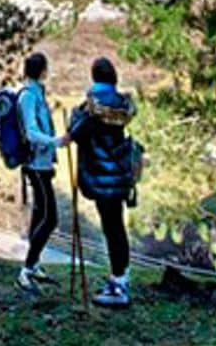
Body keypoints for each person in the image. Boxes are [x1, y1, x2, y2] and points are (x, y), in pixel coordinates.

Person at [66, 56, 137, 309]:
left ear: (94, 76)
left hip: (100, 175)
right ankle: (121, 276)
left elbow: (76, 132)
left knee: (112, 227)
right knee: (116, 226)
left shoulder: (91, 106)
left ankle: (119, 284)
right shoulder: (121, 104)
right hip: (118, 174)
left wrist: (75, 115)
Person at [16, 51, 65, 291]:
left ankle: (33, 264)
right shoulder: (29, 97)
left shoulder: (36, 94)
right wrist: (56, 142)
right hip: (35, 165)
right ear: (43, 70)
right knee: (50, 218)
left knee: (39, 215)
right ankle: (26, 268)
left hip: (42, 165)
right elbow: (31, 131)